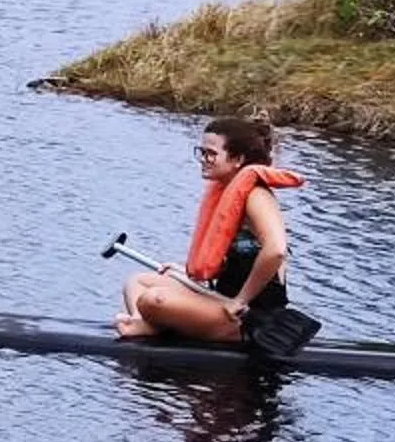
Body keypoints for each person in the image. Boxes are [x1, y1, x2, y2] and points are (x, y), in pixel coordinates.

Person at [117, 117, 303, 343]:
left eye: (211, 154)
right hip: (220, 300)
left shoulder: (257, 196)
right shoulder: (226, 192)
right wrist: (183, 273)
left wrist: (240, 301)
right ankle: (142, 323)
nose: (203, 160)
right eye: (202, 152)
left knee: (153, 299)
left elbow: (276, 251)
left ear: (237, 159)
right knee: (137, 282)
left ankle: (151, 323)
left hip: (249, 317)